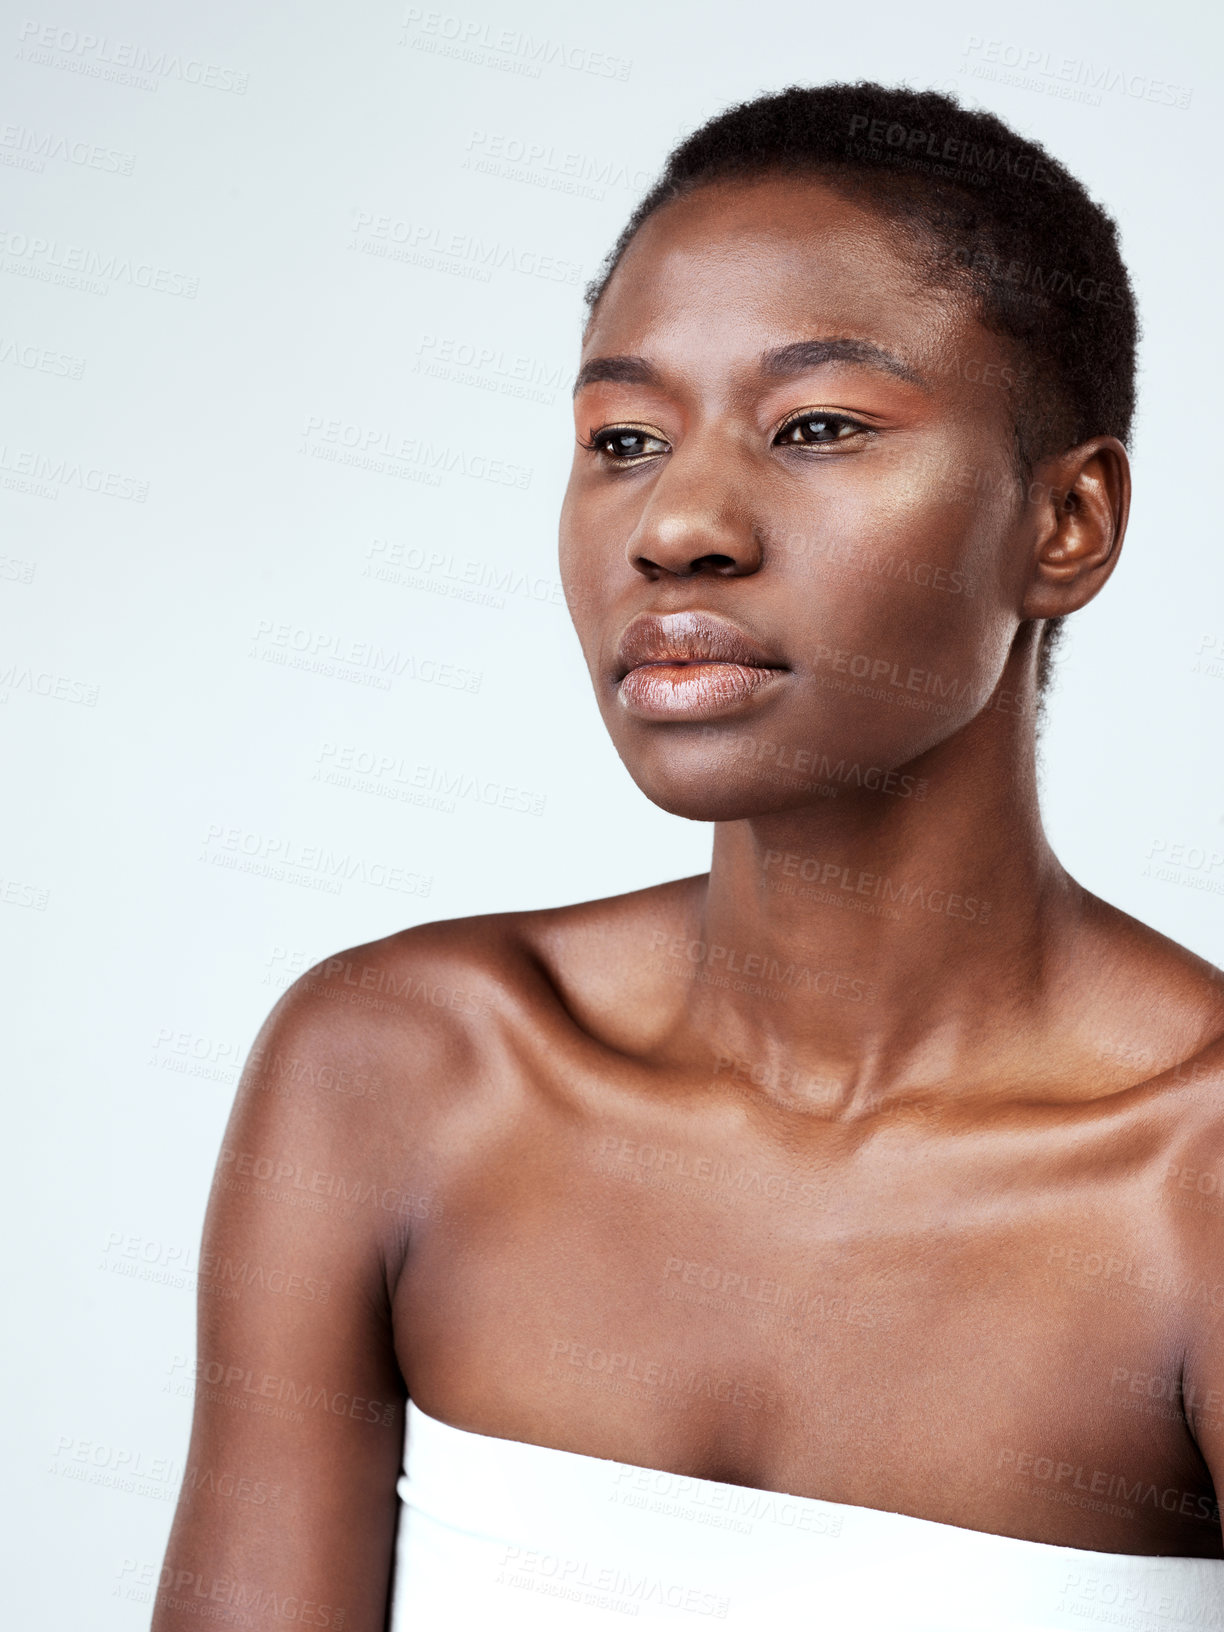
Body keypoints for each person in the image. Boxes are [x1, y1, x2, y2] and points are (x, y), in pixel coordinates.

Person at [152, 84, 1224, 1630]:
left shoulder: (1188, 1177)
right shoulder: (403, 1071)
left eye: (817, 428)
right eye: (626, 438)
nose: (680, 526)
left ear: (1067, 521)